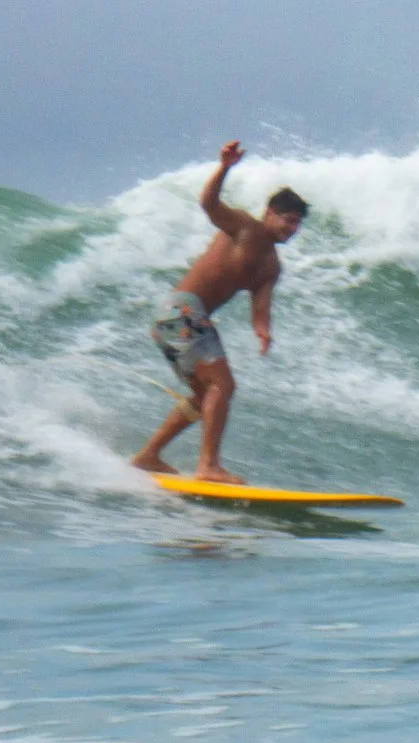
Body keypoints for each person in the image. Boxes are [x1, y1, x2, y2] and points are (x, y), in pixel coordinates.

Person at [131, 141, 307, 485]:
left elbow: (260, 307)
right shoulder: (244, 227)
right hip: (181, 310)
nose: (291, 228)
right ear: (269, 212)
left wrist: (262, 330)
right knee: (223, 386)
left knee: (204, 395)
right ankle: (208, 466)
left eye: (297, 224)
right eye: (287, 220)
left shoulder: (271, 265)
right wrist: (224, 168)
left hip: (179, 320)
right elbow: (208, 204)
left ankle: (148, 456)